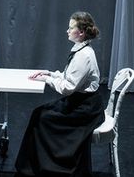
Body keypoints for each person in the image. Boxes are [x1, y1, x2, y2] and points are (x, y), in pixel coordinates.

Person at [15, 11, 104, 177]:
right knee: (39, 113)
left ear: (81, 32)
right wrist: (49, 73)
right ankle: (35, 166)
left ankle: (47, 167)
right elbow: (68, 76)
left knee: (42, 117)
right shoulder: (81, 49)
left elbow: (67, 87)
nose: (67, 31)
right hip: (80, 101)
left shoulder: (84, 55)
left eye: (71, 28)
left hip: (86, 108)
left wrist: (46, 80)